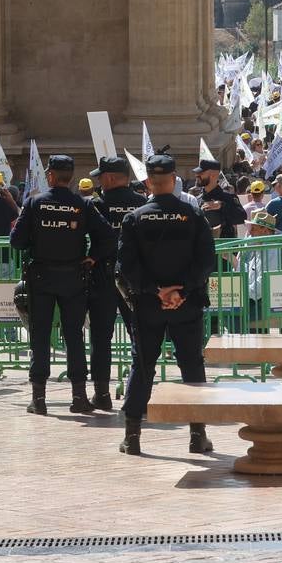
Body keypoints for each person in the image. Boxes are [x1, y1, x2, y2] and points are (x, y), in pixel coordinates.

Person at [116, 152, 217, 456]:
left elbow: (125, 268)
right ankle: (197, 435)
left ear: (148, 182)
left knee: (142, 366)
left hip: (148, 306)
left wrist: (157, 291)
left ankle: (132, 436)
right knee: (191, 367)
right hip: (186, 305)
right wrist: (182, 291)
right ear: (173, 181)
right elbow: (206, 261)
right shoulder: (194, 214)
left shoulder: (134, 218)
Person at [10, 155, 116, 416]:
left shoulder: (35, 203)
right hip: (73, 278)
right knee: (74, 337)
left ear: (50, 176)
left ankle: (39, 398)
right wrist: (93, 257)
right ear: (69, 176)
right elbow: (108, 237)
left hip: (42, 278)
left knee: (40, 336)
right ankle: (79, 396)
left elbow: (17, 241)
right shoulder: (82, 204)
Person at [86, 157, 147, 409]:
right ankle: (139, 394)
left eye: (101, 176)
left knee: (101, 337)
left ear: (111, 178)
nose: (99, 181)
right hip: (135, 277)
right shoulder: (142, 204)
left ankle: (102, 394)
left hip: (103, 276)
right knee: (140, 336)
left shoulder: (97, 205)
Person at [193, 158, 246, 239]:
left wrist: (222, 206)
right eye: (197, 173)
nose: (197, 175)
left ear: (214, 175)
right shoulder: (197, 199)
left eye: (201, 173)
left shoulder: (228, 197)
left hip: (223, 248)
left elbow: (242, 217)